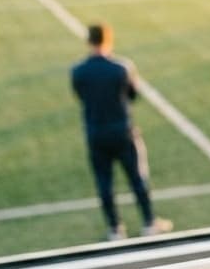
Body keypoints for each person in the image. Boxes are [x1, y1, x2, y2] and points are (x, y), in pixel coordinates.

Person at [71, 24, 173, 241]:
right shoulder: (122, 67)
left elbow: (80, 96)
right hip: (122, 131)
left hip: (96, 133)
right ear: (109, 40)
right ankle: (148, 222)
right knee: (137, 177)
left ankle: (115, 228)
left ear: (89, 41)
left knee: (104, 182)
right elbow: (133, 95)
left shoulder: (79, 71)